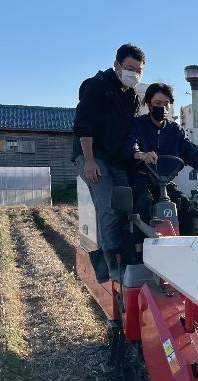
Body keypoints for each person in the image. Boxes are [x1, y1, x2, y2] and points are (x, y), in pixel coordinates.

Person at [73, 43, 145, 282]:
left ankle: (126, 254)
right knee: (109, 207)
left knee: (127, 206)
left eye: (138, 70)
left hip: (116, 159)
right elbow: (84, 125)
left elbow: (130, 133)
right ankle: (110, 264)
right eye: (129, 68)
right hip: (94, 155)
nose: (133, 74)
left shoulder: (133, 97)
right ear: (117, 65)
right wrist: (89, 161)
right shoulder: (97, 86)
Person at [123, 82, 198, 250]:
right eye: (157, 104)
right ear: (148, 104)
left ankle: (188, 250)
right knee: (142, 205)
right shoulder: (137, 125)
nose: (162, 107)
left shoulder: (174, 130)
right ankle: (140, 251)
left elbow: (190, 152)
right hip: (141, 180)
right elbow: (129, 146)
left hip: (164, 182)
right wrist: (141, 154)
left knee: (185, 207)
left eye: (166, 104)